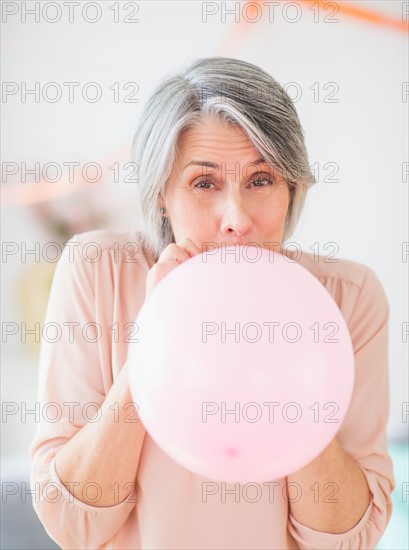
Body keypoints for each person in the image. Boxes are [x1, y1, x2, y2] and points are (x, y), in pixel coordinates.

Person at [29, 56, 394, 549]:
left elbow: (348, 537)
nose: (236, 219)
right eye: (204, 183)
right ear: (161, 193)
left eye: (261, 181)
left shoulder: (349, 298)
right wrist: (157, 340)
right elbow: (72, 523)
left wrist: (287, 367)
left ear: (291, 187)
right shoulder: (98, 271)